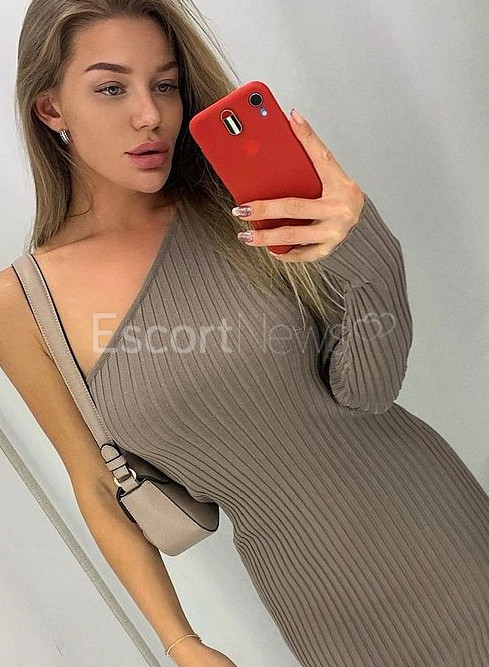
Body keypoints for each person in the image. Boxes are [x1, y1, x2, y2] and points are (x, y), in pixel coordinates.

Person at [1, 1, 489, 666]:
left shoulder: (245, 207)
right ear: (51, 107)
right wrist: (180, 642)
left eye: (165, 84)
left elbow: (369, 391)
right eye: (111, 88)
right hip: (313, 602)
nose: (149, 115)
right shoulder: (23, 304)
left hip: (443, 538)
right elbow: (95, 486)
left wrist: (368, 249)